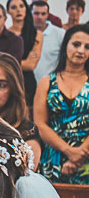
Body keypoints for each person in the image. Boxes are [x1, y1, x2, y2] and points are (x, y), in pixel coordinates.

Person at [36, 25, 89, 182]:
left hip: (85, 157)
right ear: (66, 45)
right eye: (76, 44)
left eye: (87, 47)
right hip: (53, 157)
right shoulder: (46, 82)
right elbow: (41, 124)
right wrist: (68, 151)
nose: (81, 51)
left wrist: (78, 155)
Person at [6, 0, 43, 102]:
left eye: (21, 6)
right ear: (8, 11)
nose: (18, 10)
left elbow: (30, 65)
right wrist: (23, 62)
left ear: (26, 9)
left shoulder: (36, 34)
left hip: (27, 82)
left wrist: (9, 63)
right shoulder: (5, 34)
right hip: (8, 80)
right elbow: (2, 62)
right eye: (14, 7)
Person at [33, 0, 66, 85]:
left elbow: (65, 60)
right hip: (28, 85)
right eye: (36, 13)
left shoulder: (60, 34)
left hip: (52, 84)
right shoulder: (24, 34)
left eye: (43, 14)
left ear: (48, 15)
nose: (40, 17)